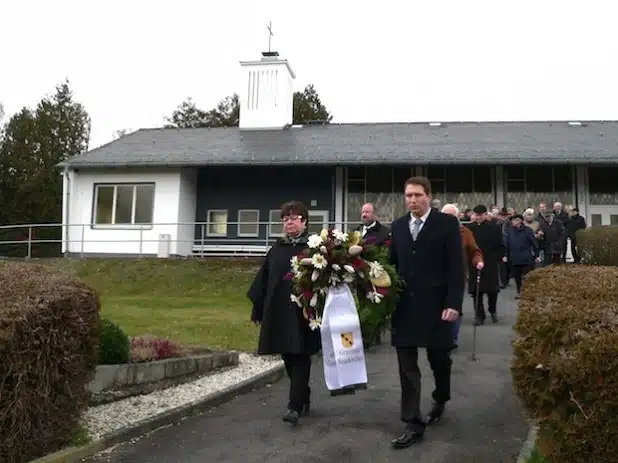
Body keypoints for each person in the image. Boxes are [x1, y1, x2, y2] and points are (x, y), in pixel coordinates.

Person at [388, 177, 464, 449]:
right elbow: (391, 266)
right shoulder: (397, 227)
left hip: (438, 308)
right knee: (407, 368)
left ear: (428, 196)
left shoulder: (446, 225)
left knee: (439, 359)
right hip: (405, 309)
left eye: (418, 195)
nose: (412, 200)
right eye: (408, 195)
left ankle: (441, 397)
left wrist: (453, 303)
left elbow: (456, 267)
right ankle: (412, 422)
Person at [247, 201, 320, 426]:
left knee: (300, 355)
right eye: (285, 219)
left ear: (304, 221)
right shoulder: (276, 249)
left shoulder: (315, 248)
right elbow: (264, 280)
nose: (289, 222)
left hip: (304, 313)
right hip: (279, 311)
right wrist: (258, 309)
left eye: (294, 218)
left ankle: (294, 406)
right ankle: (303, 395)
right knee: (287, 355)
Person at [441, 203, 484, 347]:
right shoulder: (433, 231)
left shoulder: (465, 233)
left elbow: (475, 251)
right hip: (437, 276)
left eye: (451, 216)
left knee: (455, 308)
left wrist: (478, 261)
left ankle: (452, 337)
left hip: (458, 276)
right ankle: (440, 335)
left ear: (457, 217)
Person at [467, 205, 506, 325]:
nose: (478, 217)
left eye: (480, 215)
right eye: (476, 215)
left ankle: (492, 310)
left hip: (490, 262)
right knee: (476, 291)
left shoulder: (494, 228)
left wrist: (498, 257)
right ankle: (479, 315)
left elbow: (500, 245)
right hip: (474, 262)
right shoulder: (470, 228)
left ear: (485, 215)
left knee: (492, 290)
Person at [504, 214, 541, 298]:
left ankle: (528, 292)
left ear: (519, 221)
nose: (512, 222)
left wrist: (537, 255)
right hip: (514, 257)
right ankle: (519, 291)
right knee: (517, 277)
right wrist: (505, 255)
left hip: (526, 257)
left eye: (513, 220)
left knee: (527, 276)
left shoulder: (527, 230)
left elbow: (534, 243)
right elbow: (506, 244)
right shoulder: (509, 231)